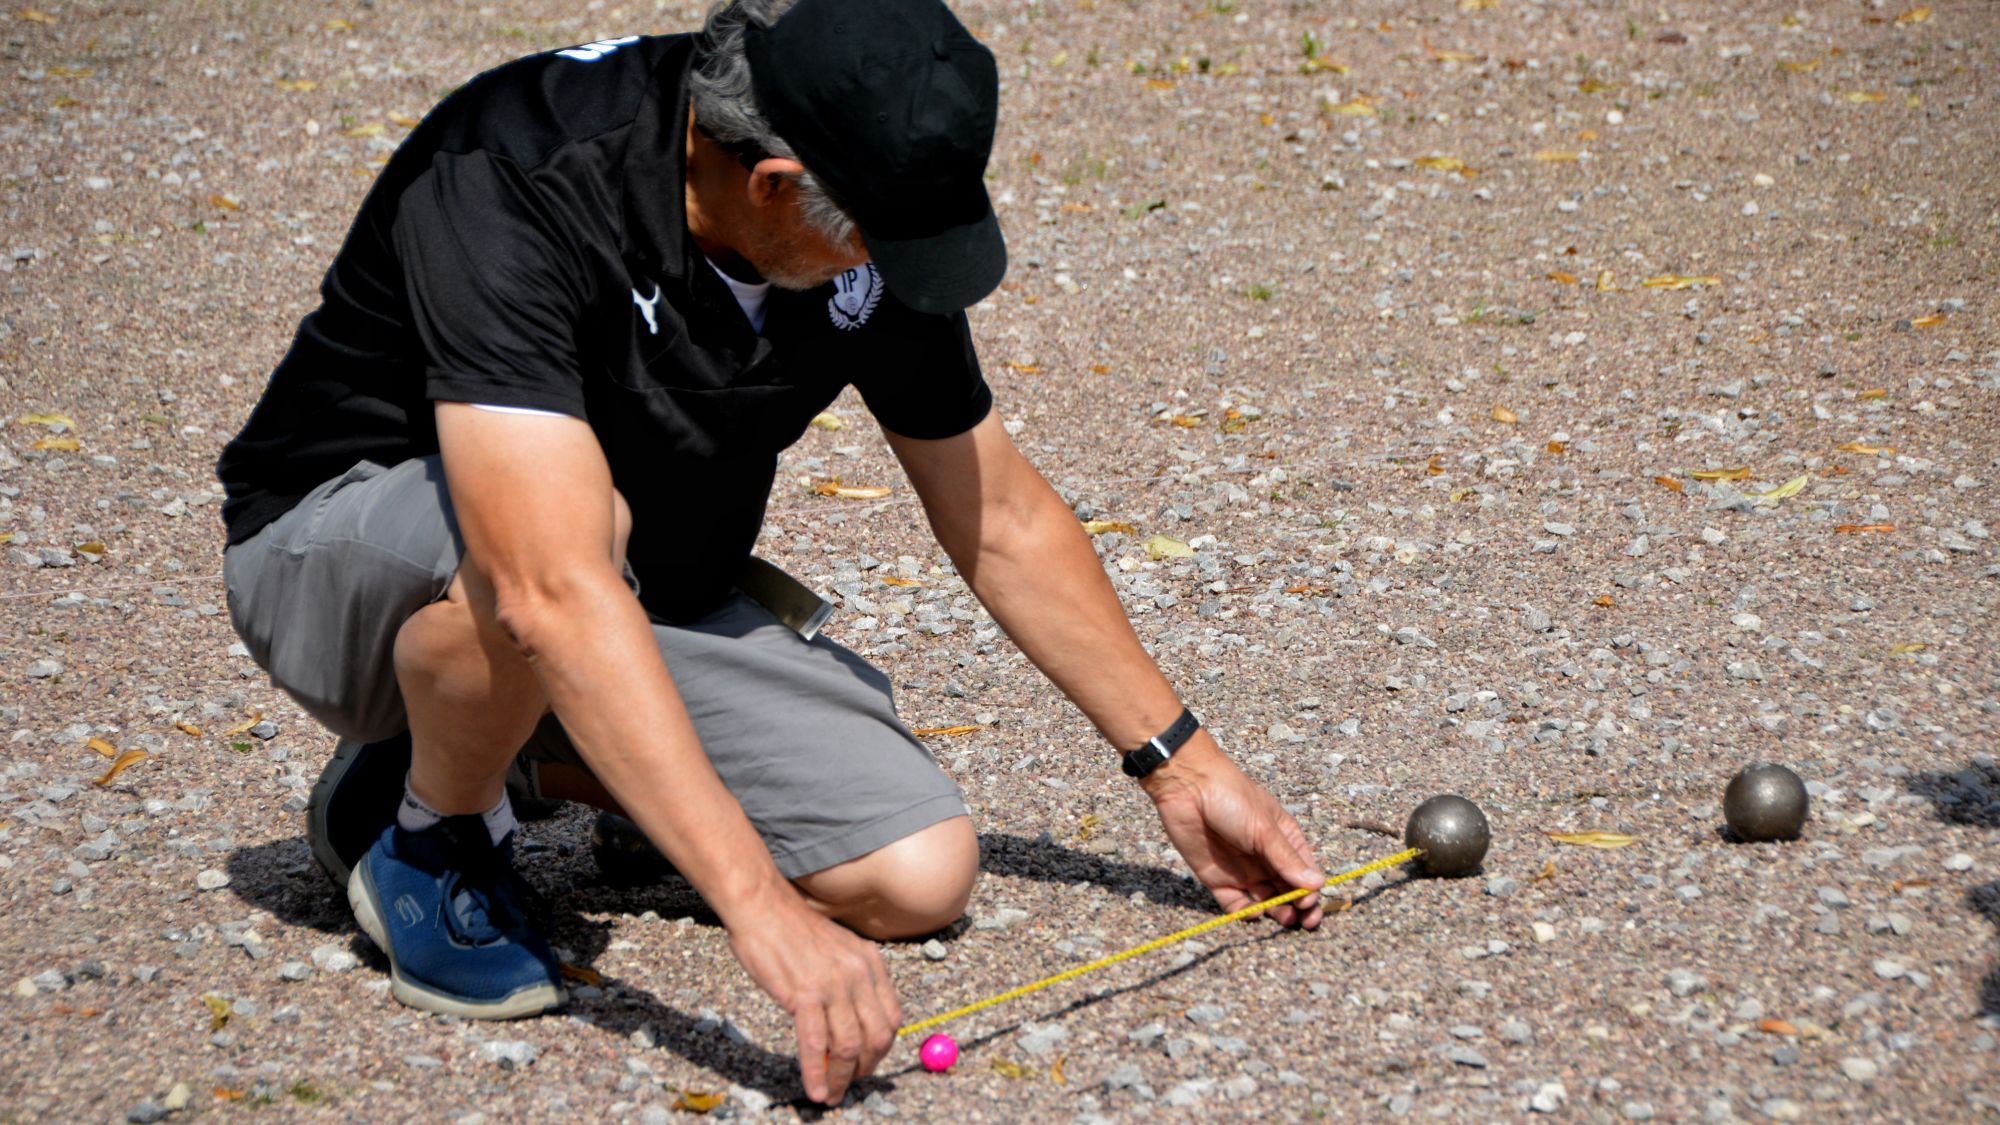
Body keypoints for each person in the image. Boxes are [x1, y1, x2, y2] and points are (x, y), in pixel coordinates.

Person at [215, 0, 1326, 1105]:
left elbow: (997, 518)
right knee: (571, 544)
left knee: (917, 874)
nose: (893, 268)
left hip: (625, 594)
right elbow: (544, 588)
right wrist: (763, 914)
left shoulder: (859, 191)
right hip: (352, 550)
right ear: (771, 184)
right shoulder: (517, 175)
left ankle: (516, 756)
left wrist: (1181, 766)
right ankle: (432, 832)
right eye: (877, 242)